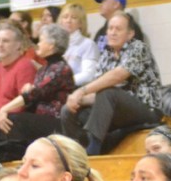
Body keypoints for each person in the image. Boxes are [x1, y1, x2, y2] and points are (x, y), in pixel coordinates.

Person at [61, 11, 162, 155]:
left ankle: (94, 150)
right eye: (110, 28)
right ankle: (76, 152)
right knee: (69, 109)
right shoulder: (106, 54)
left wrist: (81, 91)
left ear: (130, 34)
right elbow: (98, 95)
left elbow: (117, 76)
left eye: (118, 29)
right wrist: (78, 100)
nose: (113, 32)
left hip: (147, 110)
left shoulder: (139, 48)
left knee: (108, 92)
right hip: (116, 110)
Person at [0, 24, 74, 156]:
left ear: (51, 46)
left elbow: (33, 94)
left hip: (56, 122)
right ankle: (1, 156)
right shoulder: (44, 68)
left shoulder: (60, 68)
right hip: (40, 118)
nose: (38, 44)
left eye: (41, 40)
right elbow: (32, 96)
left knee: (13, 120)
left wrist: (4, 108)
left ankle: (19, 156)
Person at [59, 4, 99, 86]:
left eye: (74, 18)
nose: (68, 20)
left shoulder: (88, 44)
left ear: (81, 23)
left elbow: (89, 75)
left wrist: (63, 84)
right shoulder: (57, 44)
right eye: (65, 17)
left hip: (78, 91)